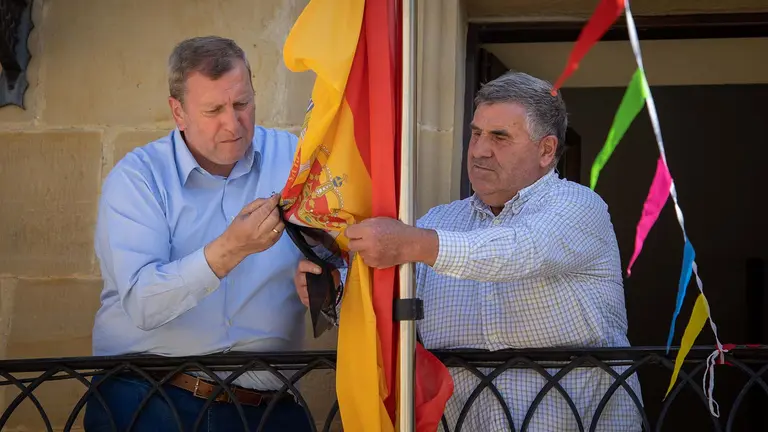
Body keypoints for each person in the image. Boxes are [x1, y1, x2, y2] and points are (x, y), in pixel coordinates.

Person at [295, 71, 643, 431]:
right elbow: (384, 300)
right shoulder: (440, 221)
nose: (479, 150)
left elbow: (518, 250)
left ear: (546, 150)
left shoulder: (580, 207)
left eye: (500, 137)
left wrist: (412, 243)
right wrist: (333, 291)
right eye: (476, 133)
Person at [84, 36, 314, 431]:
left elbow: (339, 255)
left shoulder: (294, 160)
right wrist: (230, 249)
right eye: (213, 110)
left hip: (269, 408)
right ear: (178, 112)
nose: (234, 123)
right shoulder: (139, 178)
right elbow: (142, 302)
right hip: (150, 400)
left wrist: (327, 280)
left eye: (242, 104)